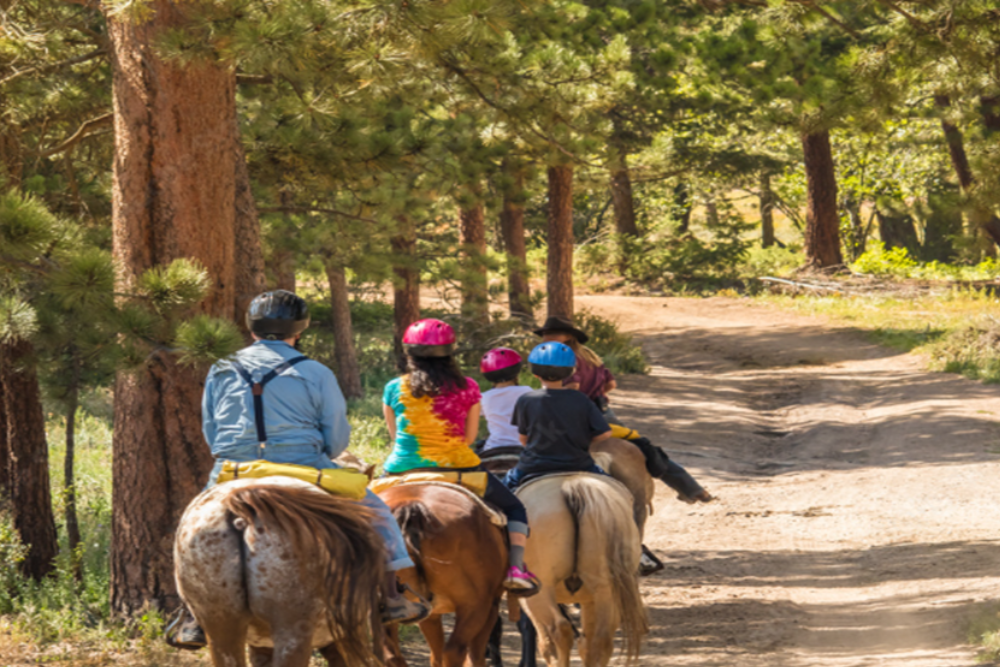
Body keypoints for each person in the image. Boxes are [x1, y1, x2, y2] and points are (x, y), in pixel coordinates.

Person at [167, 291, 429, 651]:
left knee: (190, 524)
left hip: (235, 469)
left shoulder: (222, 367)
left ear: (252, 327)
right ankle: (391, 595)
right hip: (304, 466)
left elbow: (212, 430)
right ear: (300, 329)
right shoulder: (316, 371)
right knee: (377, 513)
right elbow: (335, 438)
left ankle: (192, 612)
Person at [382, 319, 539, 593]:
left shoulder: (394, 387)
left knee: (360, 514)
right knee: (515, 508)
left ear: (409, 353)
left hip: (402, 468)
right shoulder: (468, 387)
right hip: (459, 467)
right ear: (450, 352)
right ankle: (515, 568)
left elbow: (395, 437)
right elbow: (468, 438)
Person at [535, 315, 713, 504]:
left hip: (574, 413)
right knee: (643, 447)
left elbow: (573, 388)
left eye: (553, 333)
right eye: (545, 333)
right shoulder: (591, 356)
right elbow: (611, 383)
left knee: (536, 447)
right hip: (602, 411)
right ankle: (691, 488)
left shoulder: (563, 357)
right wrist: (597, 393)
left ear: (568, 336)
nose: (547, 337)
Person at [504, 341, 612, 490]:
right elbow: (605, 433)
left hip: (533, 466)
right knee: (615, 488)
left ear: (535, 373)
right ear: (571, 372)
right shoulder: (581, 399)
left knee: (501, 496)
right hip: (579, 463)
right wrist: (582, 442)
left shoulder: (526, 400)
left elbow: (523, 439)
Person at [479, 348, 533, 452]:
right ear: (516, 370)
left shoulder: (484, 397)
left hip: (493, 448)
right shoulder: (527, 392)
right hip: (522, 447)